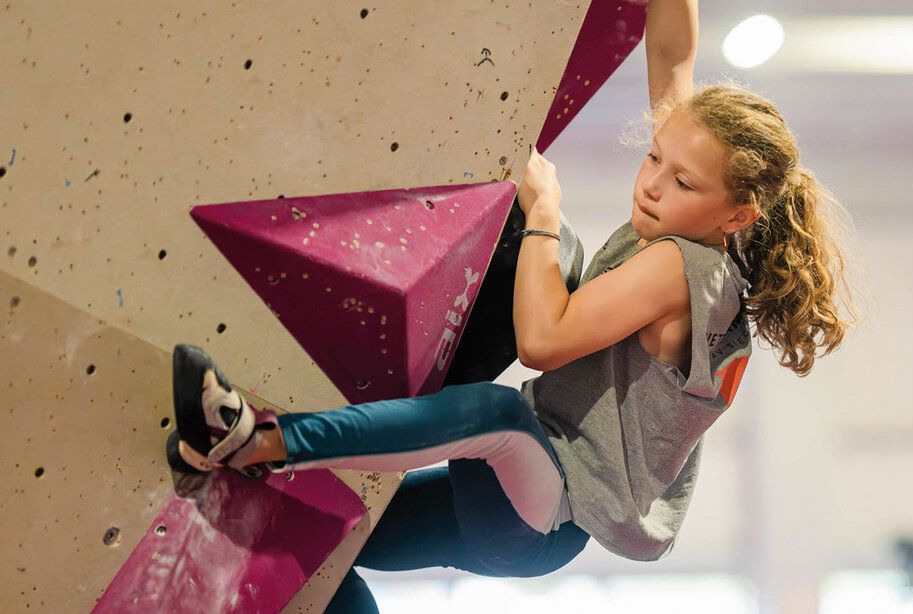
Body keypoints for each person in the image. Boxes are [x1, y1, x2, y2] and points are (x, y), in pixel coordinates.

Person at [172, 0, 857, 611]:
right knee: (340, 551)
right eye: (652, 158)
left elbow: (542, 340)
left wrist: (545, 210)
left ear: (737, 217)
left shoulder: (686, 268)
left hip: (545, 512)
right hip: (515, 497)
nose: (649, 185)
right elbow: (673, 54)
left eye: (679, 181)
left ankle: (259, 439)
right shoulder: (693, 212)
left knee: (504, 389)